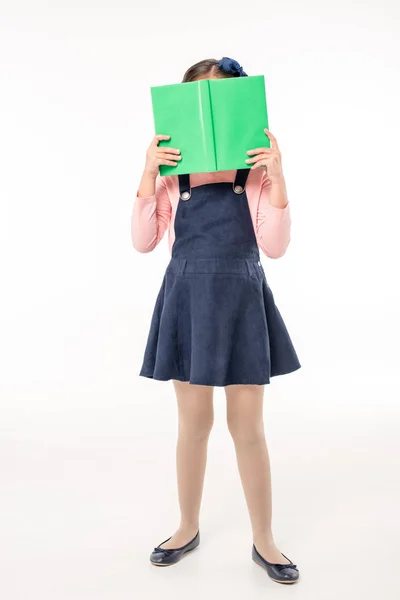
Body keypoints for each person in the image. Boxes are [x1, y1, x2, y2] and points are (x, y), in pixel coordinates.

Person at [131, 57, 301, 584]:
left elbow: (273, 246)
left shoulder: (251, 174)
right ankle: (186, 526)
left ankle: (264, 539)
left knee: (247, 427)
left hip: (242, 300)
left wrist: (276, 178)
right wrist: (147, 171)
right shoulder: (173, 174)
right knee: (194, 424)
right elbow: (143, 242)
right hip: (187, 301)